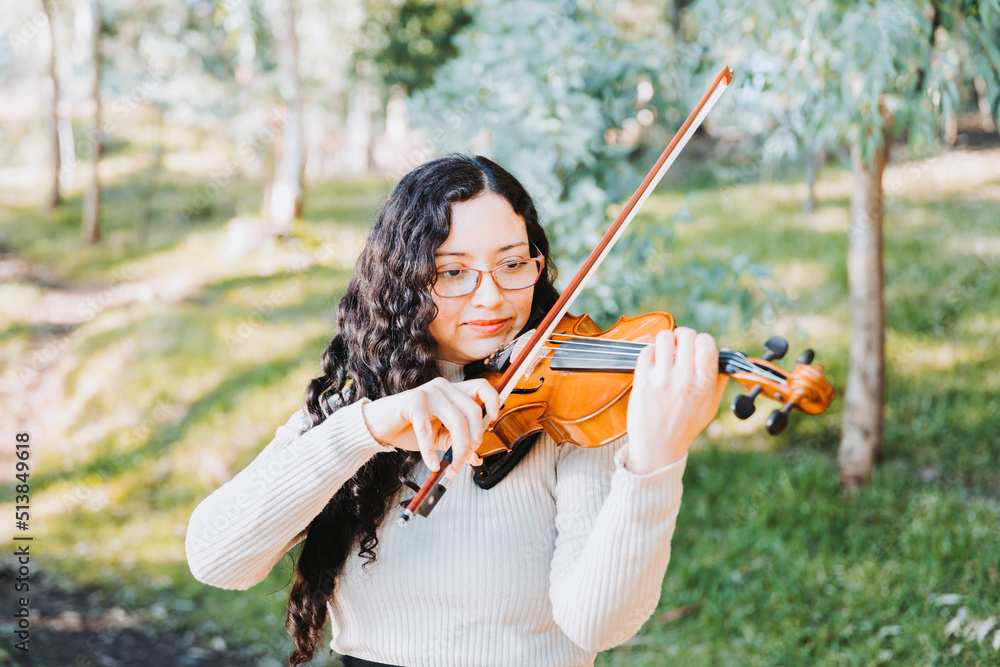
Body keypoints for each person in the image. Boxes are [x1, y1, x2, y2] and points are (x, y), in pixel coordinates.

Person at [185, 154, 728, 667]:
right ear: (403, 280)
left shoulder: (574, 412)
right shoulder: (358, 402)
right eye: (452, 272)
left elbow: (597, 624)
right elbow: (217, 558)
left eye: (512, 264)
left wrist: (655, 461)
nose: (491, 298)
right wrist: (366, 430)